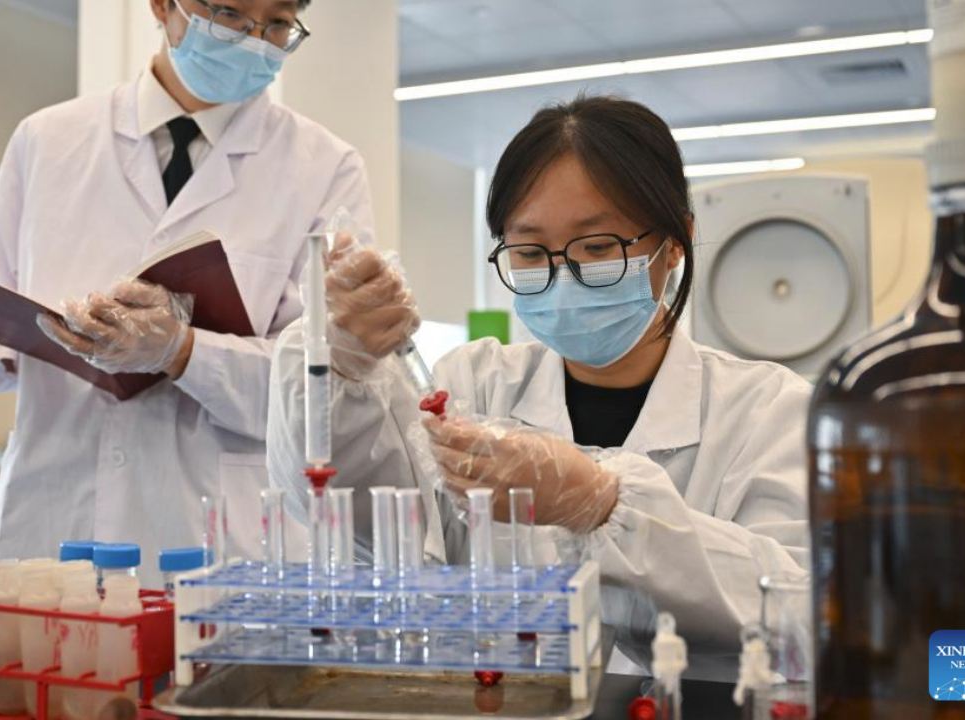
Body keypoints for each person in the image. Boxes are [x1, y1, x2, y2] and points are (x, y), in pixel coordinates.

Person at [267, 96, 809, 672]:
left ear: (675, 241)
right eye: (529, 251)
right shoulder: (470, 384)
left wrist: (604, 504)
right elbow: (348, 518)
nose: (562, 274)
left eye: (599, 246)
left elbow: (803, 610)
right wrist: (340, 362)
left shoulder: (769, 413)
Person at [0, 0, 372, 583]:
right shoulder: (45, 141)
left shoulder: (326, 169)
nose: (254, 41)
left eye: (279, 25)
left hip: (219, 537)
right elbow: (4, 357)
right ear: (162, 5)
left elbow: (329, 389)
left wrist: (183, 352)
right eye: (230, 14)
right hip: (54, 524)